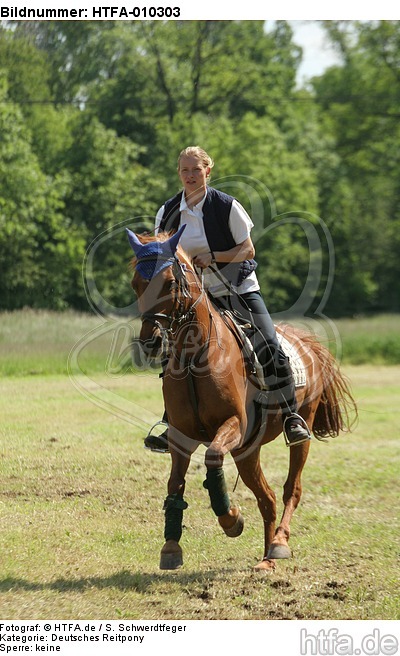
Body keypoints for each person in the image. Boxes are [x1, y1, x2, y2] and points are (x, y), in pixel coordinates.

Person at [143, 146, 310, 451]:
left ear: (208, 170)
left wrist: (213, 257)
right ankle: (171, 422)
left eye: (196, 169)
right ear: (178, 173)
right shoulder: (167, 211)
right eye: (184, 170)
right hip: (193, 299)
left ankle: (290, 416)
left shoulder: (227, 206)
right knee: (173, 355)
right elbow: (162, 257)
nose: (190, 175)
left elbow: (248, 250)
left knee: (269, 344)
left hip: (238, 289)